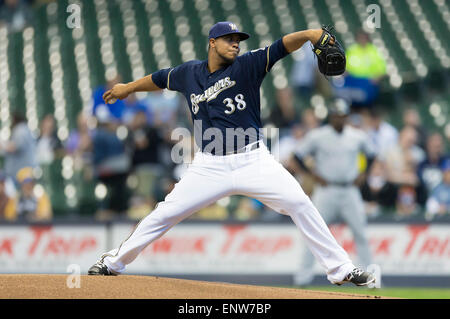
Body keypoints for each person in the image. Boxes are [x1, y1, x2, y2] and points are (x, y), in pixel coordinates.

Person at [88, 22, 375, 286]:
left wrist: (311, 34)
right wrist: (128, 88)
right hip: (209, 166)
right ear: (212, 42)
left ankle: (340, 269)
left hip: (253, 159)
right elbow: (159, 78)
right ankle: (112, 262)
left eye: (238, 40)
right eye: (229, 39)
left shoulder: (247, 65)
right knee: (164, 213)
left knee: (300, 202)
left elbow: (281, 45)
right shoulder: (189, 73)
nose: (235, 44)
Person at [291, 99, 376, 286]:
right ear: (331, 117)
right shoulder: (318, 136)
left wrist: (364, 173)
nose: (339, 119)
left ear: (346, 117)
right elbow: (297, 156)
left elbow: (372, 154)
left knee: (360, 233)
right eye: (336, 115)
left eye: (342, 115)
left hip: (349, 190)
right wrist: (311, 175)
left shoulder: (357, 136)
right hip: (326, 190)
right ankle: (302, 278)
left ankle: (371, 279)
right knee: (313, 232)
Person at [0, 112, 37, 187]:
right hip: (18, 174)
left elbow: (15, 147)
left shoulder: (21, 129)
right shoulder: (23, 129)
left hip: (22, 175)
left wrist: (3, 146)